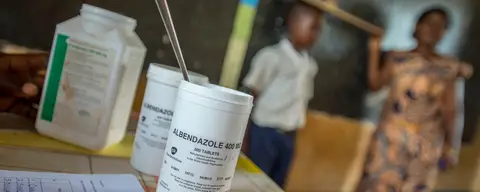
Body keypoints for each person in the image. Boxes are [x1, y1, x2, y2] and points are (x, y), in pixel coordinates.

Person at [357, 7, 473, 191]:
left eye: (439, 26)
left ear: (443, 34)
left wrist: (452, 147)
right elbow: (375, 84)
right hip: (389, 142)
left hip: (424, 148)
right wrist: (374, 50)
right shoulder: (398, 59)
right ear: (418, 26)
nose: (433, 29)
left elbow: (453, 110)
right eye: (429, 23)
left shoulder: (449, 69)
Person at [241, 1, 322, 189]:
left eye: (319, 31)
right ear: (294, 22)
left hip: (288, 136)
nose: (316, 35)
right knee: (253, 183)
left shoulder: (309, 65)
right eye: (313, 28)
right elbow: (250, 95)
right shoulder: (271, 56)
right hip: (264, 133)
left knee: (276, 185)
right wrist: (243, 136)